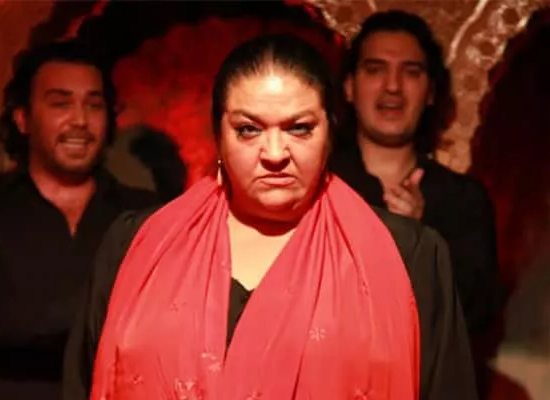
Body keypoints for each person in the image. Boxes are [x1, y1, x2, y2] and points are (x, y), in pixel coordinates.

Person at [63, 34, 477, 400]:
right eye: (248, 129)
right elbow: (83, 381)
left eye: (299, 128)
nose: (275, 154)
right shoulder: (139, 243)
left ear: (329, 134)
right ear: (218, 136)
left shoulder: (407, 255)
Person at [0, 40, 158, 400]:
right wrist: (113, 310)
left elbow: (165, 323)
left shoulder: (147, 215)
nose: (80, 121)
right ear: (22, 118)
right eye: (60, 103)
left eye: (94, 105)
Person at [331, 10, 500, 339]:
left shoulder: (463, 201)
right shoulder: (315, 187)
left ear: (431, 92)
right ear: (349, 87)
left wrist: (420, 245)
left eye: (411, 72)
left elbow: (475, 317)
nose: (393, 86)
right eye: (375, 70)